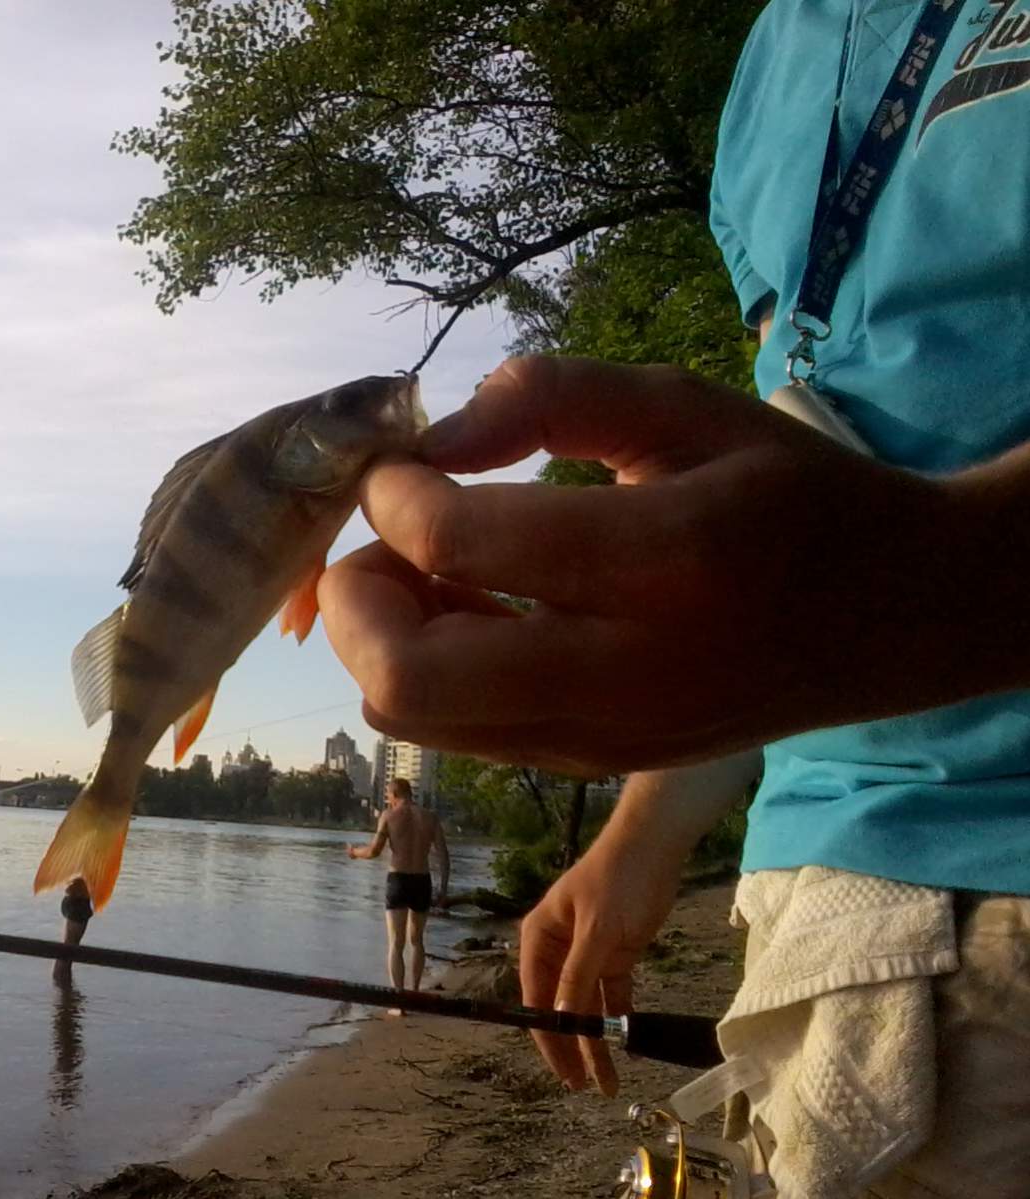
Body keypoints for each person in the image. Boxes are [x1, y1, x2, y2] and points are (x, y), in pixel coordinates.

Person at [317, 4, 1030, 1194]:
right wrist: (643, 831)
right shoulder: (778, 55)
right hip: (820, 899)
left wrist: (936, 589)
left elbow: (854, 590)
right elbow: (811, 466)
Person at [346, 778, 450, 1004]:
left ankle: (398, 1001)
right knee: (417, 940)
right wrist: (443, 887)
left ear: (394, 794)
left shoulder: (388, 816)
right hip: (422, 880)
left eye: (388, 795)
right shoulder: (430, 817)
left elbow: (374, 851)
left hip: (398, 880)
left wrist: (354, 853)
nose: (387, 799)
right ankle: (415, 992)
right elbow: (443, 854)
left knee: (396, 942)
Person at [52, 877, 93, 986]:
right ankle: (63, 987)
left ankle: (62, 987)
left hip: (71, 898)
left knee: (68, 947)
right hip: (78, 901)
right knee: (69, 949)